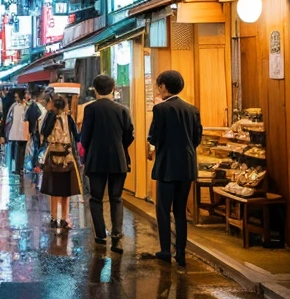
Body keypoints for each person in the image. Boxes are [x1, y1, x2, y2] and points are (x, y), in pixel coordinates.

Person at [146, 69, 203, 268]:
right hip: (187, 166)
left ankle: (165, 251)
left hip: (167, 165)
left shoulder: (160, 109)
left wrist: (153, 145)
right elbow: (197, 138)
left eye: (158, 85)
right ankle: (181, 253)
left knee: (163, 209)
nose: (157, 88)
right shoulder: (192, 109)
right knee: (180, 211)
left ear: (164, 86)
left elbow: (154, 137)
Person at [80, 74, 134, 251]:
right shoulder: (122, 109)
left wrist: (90, 148)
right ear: (113, 88)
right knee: (116, 197)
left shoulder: (90, 109)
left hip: (96, 160)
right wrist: (120, 145)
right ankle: (117, 233)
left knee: (96, 198)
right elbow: (129, 135)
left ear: (95, 89)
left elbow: (85, 137)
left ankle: (101, 234)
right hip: (118, 159)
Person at [39, 94, 80, 231]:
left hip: (52, 157)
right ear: (65, 105)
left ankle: (53, 217)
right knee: (65, 190)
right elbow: (77, 135)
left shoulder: (50, 117)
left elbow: (43, 132)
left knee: (53, 189)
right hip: (67, 158)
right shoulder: (69, 118)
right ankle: (64, 218)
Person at [5, 89, 28, 175]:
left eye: (17, 97)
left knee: (21, 150)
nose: (15, 98)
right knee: (18, 150)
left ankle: (20, 168)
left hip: (23, 131)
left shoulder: (25, 106)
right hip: (17, 131)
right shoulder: (16, 106)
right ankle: (18, 168)